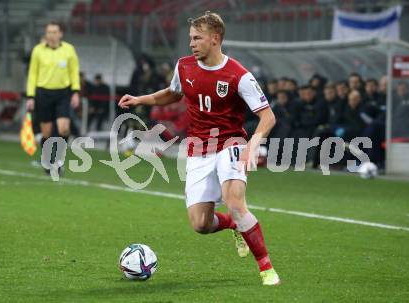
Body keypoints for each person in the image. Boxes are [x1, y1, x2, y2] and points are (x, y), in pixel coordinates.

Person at [118, 11, 280, 286]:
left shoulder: (239, 75)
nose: (191, 43)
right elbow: (173, 92)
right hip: (197, 148)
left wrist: (253, 144)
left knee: (236, 204)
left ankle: (266, 268)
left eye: (197, 38)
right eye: (190, 38)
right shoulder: (184, 66)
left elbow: (268, 116)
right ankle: (233, 226)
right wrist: (140, 99)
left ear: (215, 39)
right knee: (200, 224)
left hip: (231, 143)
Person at [26, 21, 80, 174]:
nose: (51, 35)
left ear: (60, 34)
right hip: (43, 93)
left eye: (54, 32)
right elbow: (32, 74)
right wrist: (30, 96)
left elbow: (74, 71)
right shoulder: (38, 50)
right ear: (46, 34)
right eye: (49, 32)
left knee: (64, 129)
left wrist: (75, 92)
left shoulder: (69, 50)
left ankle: (58, 160)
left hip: (63, 93)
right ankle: (47, 160)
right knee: (47, 133)